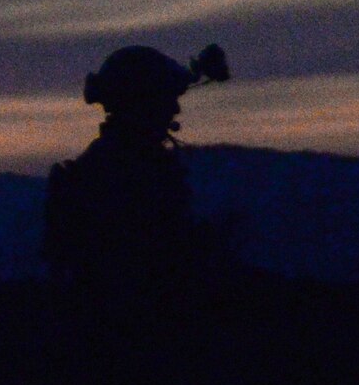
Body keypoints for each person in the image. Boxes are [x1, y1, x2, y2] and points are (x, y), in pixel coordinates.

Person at [43, 42, 229, 296]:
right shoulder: (121, 172)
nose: (175, 109)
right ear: (140, 103)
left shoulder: (112, 163)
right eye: (166, 98)